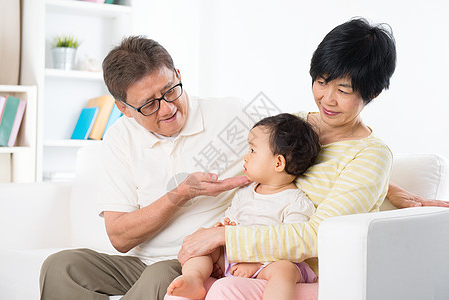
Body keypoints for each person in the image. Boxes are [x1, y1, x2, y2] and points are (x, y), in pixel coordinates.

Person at [172, 17, 423, 300]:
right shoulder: (294, 125)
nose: (327, 98)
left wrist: (225, 238)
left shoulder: (371, 155)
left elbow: (319, 235)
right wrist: (218, 234)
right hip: (250, 261)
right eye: (321, 82)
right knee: (181, 288)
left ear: (372, 93)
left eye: (343, 91)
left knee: (225, 290)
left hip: (306, 275)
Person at [39, 36, 253, 300]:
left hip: (195, 263)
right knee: (60, 267)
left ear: (177, 74)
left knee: (160, 277)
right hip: (139, 265)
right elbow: (119, 237)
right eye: (149, 104)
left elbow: (290, 140)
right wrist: (180, 194)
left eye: (171, 90)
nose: (167, 108)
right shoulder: (120, 137)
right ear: (124, 109)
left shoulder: (231, 114)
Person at [166, 113, 320, 300]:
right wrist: (223, 228)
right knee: (205, 248)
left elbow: (291, 245)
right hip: (235, 258)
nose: (246, 157)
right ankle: (194, 279)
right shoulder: (245, 192)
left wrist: (257, 264)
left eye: (253, 151)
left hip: (271, 263)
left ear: (278, 163)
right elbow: (231, 219)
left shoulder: (296, 202)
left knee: (284, 269)